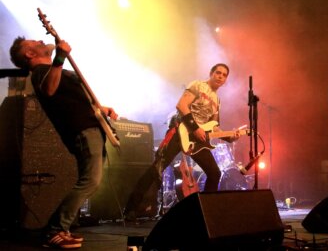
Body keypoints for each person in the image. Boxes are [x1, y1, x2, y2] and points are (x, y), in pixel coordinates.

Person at [9, 37, 118, 249]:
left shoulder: (53, 71)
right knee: (91, 180)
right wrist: (60, 58)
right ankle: (56, 229)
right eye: (34, 42)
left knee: (91, 180)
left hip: (89, 126)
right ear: (30, 54)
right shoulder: (41, 72)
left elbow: (76, 101)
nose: (41, 39)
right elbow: (49, 90)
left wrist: (100, 109)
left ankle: (60, 228)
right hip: (82, 130)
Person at [124, 63, 239, 220]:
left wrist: (230, 137)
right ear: (211, 73)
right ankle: (130, 208)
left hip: (197, 141)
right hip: (180, 131)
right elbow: (182, 106)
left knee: (214, 173)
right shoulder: (198, 85)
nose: (220, 76)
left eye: (224, 75)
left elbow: (214, 127)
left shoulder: (217, 101)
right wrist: (194, 128)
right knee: (157, 168)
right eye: (218, 73)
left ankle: (206, 212)